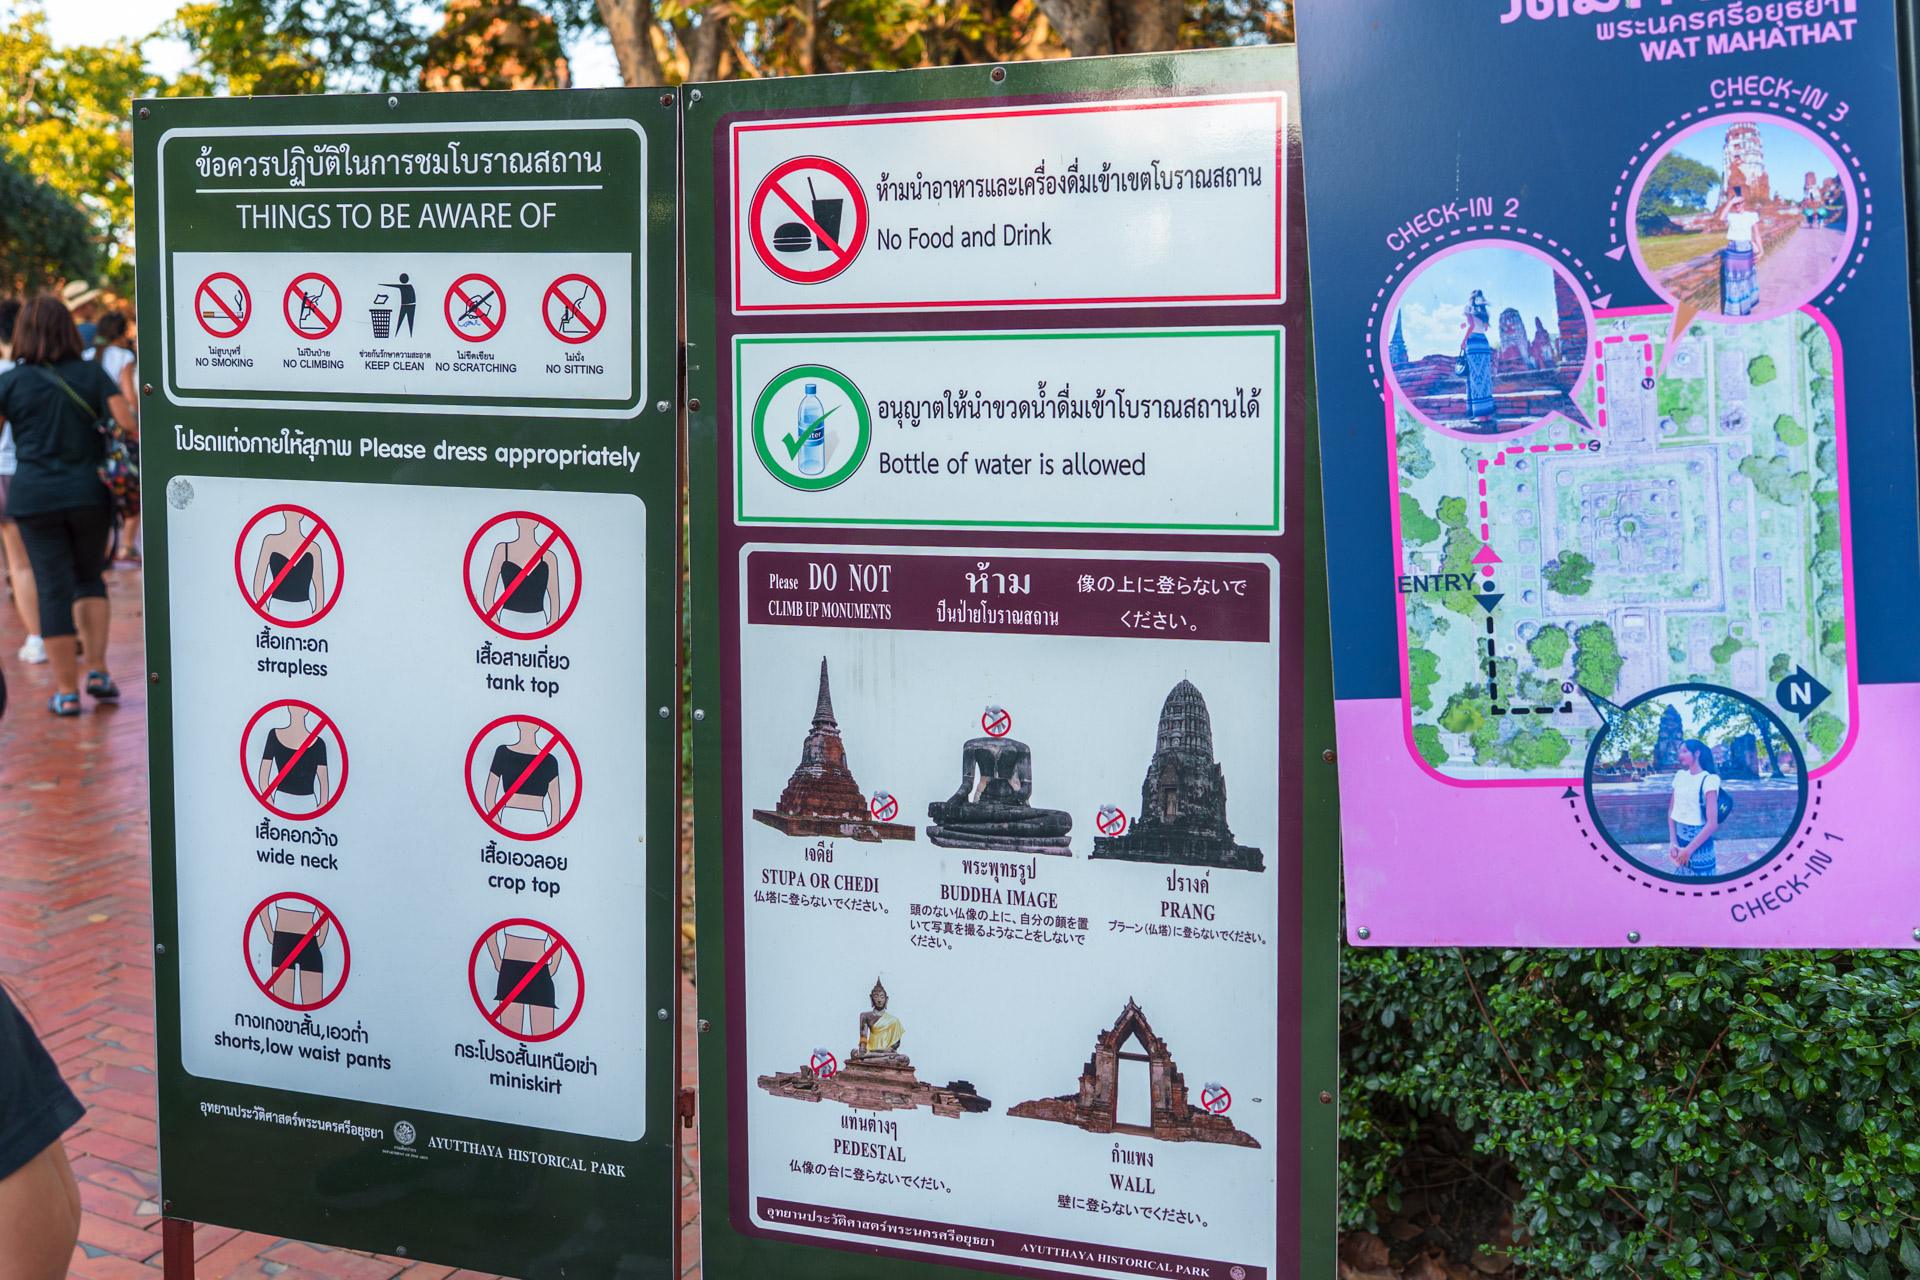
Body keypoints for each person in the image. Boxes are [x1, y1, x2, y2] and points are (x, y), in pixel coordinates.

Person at [0, 295, 130, 715]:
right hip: (88, 492)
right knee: (90, 578)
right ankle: (98, 671)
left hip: (33, 496)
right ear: (69, 331)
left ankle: (67, 692)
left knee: (53, 587)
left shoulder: (11, 382)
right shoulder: (92, 374)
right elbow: (128, 423)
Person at [0, 297, 45, 664]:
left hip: (6, 472)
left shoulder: (5, 375)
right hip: (42, 470)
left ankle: (37, 638)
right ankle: (67, 631)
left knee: (21, 563)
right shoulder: (40, 371)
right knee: (52, 557)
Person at [90, 311, 140, 566]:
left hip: (94, 433)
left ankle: (102, 547)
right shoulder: (123, 356)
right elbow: (128, 395)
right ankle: (126, 546)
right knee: (133, 488)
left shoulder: (88, 356)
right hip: (119, 432)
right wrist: (136, 423)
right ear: (120, 334)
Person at [480, 517, 562, 630]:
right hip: (508, 620)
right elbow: (487, 597)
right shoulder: (502, 550)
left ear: (537, 522)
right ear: (517, 519)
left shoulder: (549, 557)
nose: (527, 521)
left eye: (531, 518)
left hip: (538, 621)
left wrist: (550, 627)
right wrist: (497, 626)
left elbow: (555, 601)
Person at [484, 720, 565, 833]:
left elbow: (555, 805)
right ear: (518, 722)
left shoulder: (550, 761)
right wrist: (498, 823)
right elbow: (489, 796)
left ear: (538, 726)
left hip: (537, 819)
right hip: (509, 816)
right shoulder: (503, 752)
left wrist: (549, 829)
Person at [484, 925, 564, 1037]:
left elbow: (557, 941)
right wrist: (497, 961)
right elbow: (491, 933)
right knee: (509, 1035)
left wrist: (552, 967)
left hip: (538, 970)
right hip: (511, 969)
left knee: (544, 1034)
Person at [1667, 736, 1722, 877]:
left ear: (1697, 753)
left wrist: (1688, 850)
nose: (1680, 755)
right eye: (1679, 752)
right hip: (1679, 842)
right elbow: (1672, 811)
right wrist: (1673, 841)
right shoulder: (1680, 776)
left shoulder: (1709, 779)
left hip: (1700, 846)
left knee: (1702, 886)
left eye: (1684, 751)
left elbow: (1712, 823)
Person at [1720, 191, 1763, 316]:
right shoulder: (1731, 216)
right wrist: (1731, 202)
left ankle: (1745, 308)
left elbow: (1756, 234)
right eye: (1736, 204)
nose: (1737, 206)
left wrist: (1761, 251)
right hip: (1732, 251)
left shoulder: (1752, 215)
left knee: (1745, 280)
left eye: (1740, 203)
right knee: (1732, 282)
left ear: (1744, 203)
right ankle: (1733, 311)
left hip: (1746, 251)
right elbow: (1721, 217)